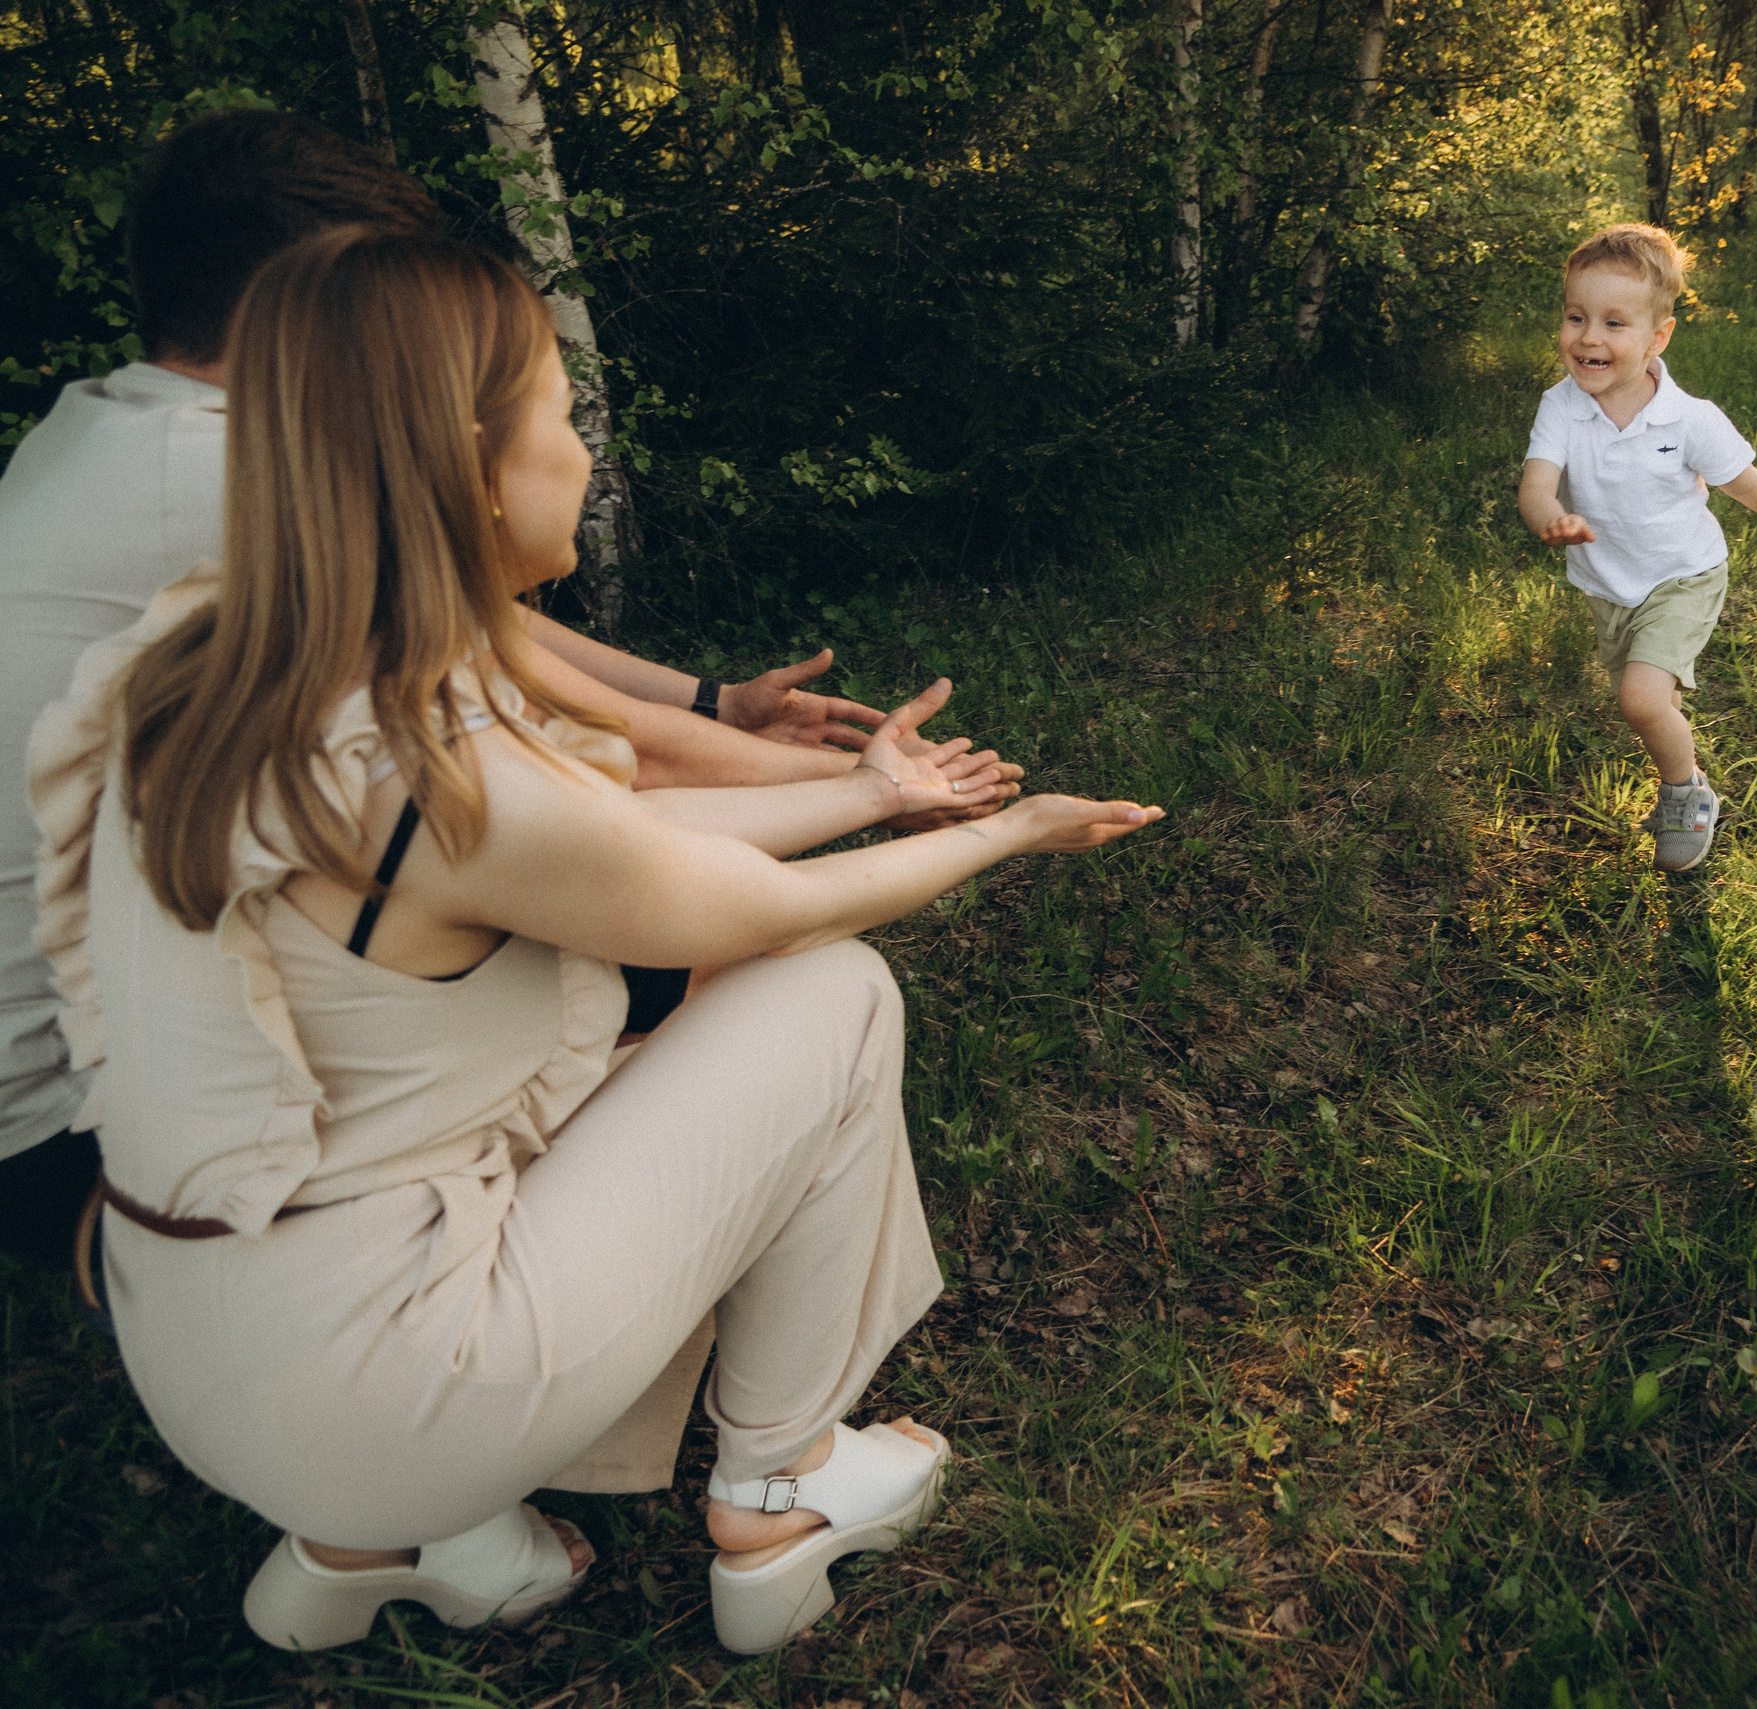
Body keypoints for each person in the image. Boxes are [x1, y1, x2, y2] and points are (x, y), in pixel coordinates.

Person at [31, 227, 1162, 1658]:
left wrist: (872, 793)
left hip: (190, 1333)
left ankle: (368, 1547)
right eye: (561, 411)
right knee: (832, 996)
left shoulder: (202, 659)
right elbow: (759, 910)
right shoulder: (422, 768)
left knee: (612, 1033)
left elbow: (617, 851)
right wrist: (1002, 833)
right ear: (467, 456)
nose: (575, 447)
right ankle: (784, 1490)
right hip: (370, 1385)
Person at [0, 108, 1017, 1289]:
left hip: (99, 1069)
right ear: (315, 311)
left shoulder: (107, 433)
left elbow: (501, 635)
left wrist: (725, 706)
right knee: (670, 949)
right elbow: (594, 761)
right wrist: (867, 784)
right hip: (92, 1131)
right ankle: (518, 1335)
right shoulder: (229, 478)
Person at [1516, 224, 1757, 871]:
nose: (1589, 337)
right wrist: (1551, 518)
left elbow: (1743, 483)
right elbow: (1535, 485)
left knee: (1638, 701)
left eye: (1614, 322)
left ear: (1658, 336)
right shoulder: (1562, 406)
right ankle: (1667, 714)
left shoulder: (1688, 418)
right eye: (1576, 317)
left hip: (1685, 576)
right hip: (1609, 585)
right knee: (1652, 697)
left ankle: (1686, 794)